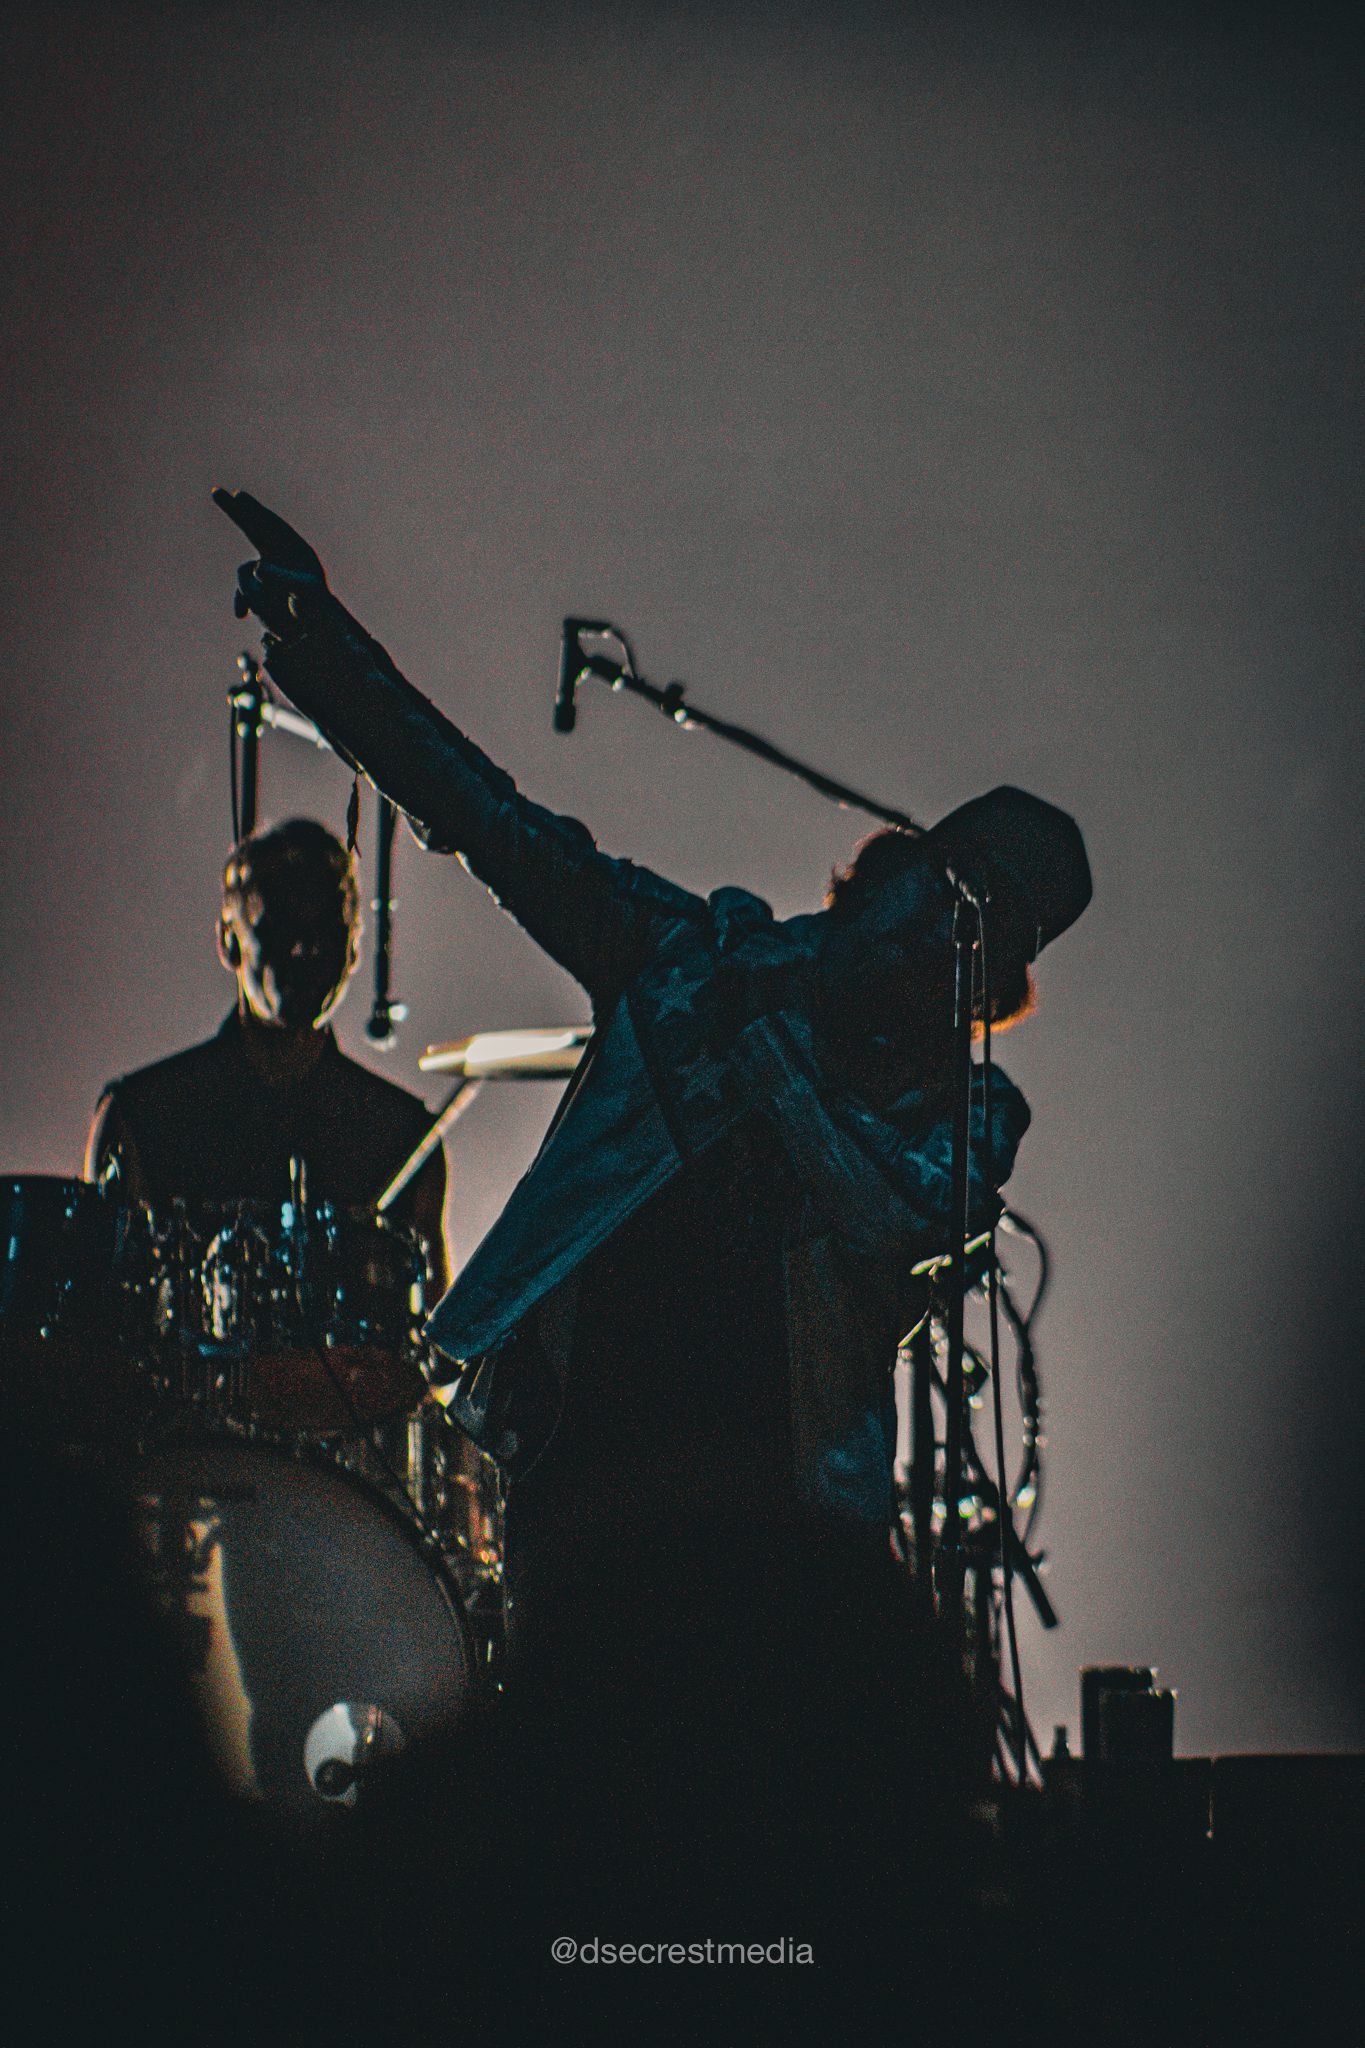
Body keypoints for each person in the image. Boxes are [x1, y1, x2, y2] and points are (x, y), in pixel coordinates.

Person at [211, 490, 1091, 1671]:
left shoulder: (968, 1116)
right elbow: (492, 821)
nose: (935, 931)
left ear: (985, 995)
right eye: (936, 887)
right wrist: (325, 650)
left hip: (783, 1538)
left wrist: (765, 1045)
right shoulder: (686, 961)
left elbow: (894, 1219)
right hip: (586, 1477)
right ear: (877, 869)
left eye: (976, 936)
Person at [86, 816, 447, 1288]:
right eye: (281, 927)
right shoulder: (141, 1116)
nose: (305, 948)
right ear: (228, 941)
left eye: (327, 930)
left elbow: (435, 1338)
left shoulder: (405, 1137)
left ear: (355, 947)